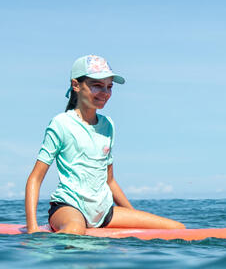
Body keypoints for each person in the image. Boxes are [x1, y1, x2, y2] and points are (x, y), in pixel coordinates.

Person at [25, 55, 184, 235]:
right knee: (75, 230)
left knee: (177, 228)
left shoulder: (107, 125)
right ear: (76, 85)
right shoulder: (61, 123)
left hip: (104, 212)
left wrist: (135, 223)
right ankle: (60, 230)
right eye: (97, 85)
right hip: (69, 207)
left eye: (109, 87)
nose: (105, 93)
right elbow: (35, 178)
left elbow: (110, 181)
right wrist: (32, 229)